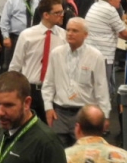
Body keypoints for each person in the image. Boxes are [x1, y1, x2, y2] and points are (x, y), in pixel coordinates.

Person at [42, 18, 111, 147]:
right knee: (58, 152)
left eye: (75, 31)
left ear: (85, 35)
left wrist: (105, 115)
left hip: (84, 114)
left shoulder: (96, 56)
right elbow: (48, 84)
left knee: (85, 152)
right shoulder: (56, 54)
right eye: (68, 30)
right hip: (60, 113)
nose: (70, 33)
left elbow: (101, 88)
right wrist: (48, 108)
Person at [11, 0, 69, 121]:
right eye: (57, 13)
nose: (62, 15)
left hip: (55, 91)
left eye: (62, 12)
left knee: (52, 128)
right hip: (31, 90)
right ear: (46, 15)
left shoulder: (64, 36)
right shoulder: (27, 35)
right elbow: (16, 65)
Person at [84, 0, 127, 98]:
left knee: (95, 86)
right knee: (102, 88)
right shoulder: (110, 10)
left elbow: (115, 31)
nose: (120, 0)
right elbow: (124, 33)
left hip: (92, 52)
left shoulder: (95, 6)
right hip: (103, 55)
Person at [2, 0, 44, 67]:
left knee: (27, 64)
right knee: (11, 64)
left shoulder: (36, 3)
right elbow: (5, 20)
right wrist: (6, 37)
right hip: (15, 38)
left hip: (31, 38)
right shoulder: (13, 1)